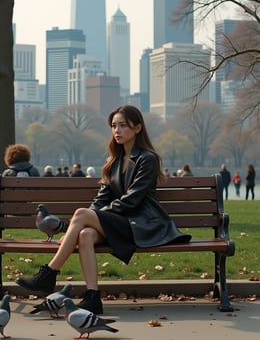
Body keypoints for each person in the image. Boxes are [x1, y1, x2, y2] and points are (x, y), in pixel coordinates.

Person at [16, 105, 191, 314]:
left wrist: (88, 216)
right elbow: (101, 198)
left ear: (137, 128)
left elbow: (132, 200)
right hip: (120, 222)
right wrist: (79, 225)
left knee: (82, 215)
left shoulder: (147, 159)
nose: (117, 131)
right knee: (85, 234)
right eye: (114, 126)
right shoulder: (112, 161)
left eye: (123, 126)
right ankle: (92, 298)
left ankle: (49, 274)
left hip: (141, 224)